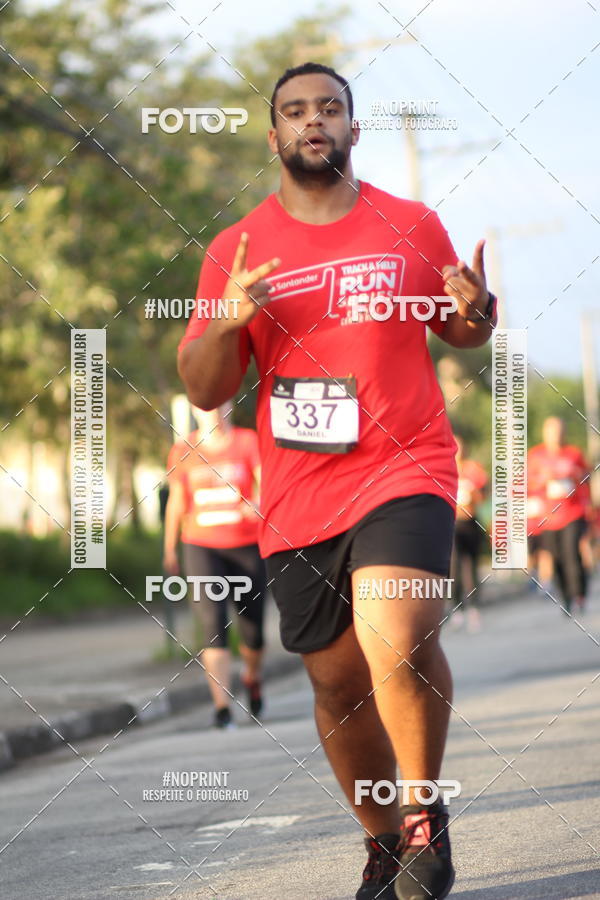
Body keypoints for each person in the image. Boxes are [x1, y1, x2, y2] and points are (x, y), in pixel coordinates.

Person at [178, 62, 498, 899]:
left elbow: (458, 331)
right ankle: (384, 838)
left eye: (329, 108)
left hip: (407, 462)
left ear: (353, 129)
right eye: (294, 111)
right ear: (274, 134)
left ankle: (426, 812)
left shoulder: (411, 224)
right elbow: (206, 388)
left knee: (400, 637)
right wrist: (229, 321)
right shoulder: (237, 250)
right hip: (299, 492)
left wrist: (476, 309)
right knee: (337, 684)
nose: (312, 120)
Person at [163, 402, 266, 728]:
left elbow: (268, 484)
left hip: (247, 545)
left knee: (253, 630)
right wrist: (170, 549)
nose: (214, 412)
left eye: (220, 405)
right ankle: (222, 708)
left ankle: (252, 675)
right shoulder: (183, 449)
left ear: (231, 406)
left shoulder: (248, 441)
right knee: (212, 624)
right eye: (206, 407)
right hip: (201, 545)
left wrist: (260, 505)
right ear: (195, 409)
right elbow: (178, 501)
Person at [528, 417, 591, 615]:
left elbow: (587, 477)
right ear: (545, 433)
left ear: (564, 432)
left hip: (572, 513)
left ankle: (579, 595)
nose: (556, 434)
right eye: (551, 431)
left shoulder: (574, 453)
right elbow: (527, 483)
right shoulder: (536, 455)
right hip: (548, 518)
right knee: (557, 558)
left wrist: (574, 473)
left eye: (559, 430)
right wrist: (544, 479)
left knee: (572, 553)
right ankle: (566, 597)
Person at [449, 437, 487, 633]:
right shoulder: (444, 467)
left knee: (470, 567)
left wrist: (473, 493)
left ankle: (473, 607)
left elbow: (483, 494)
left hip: (470, 523)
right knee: (453, 567)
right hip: (452, 524)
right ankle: (456, 608)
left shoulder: (474, 469)